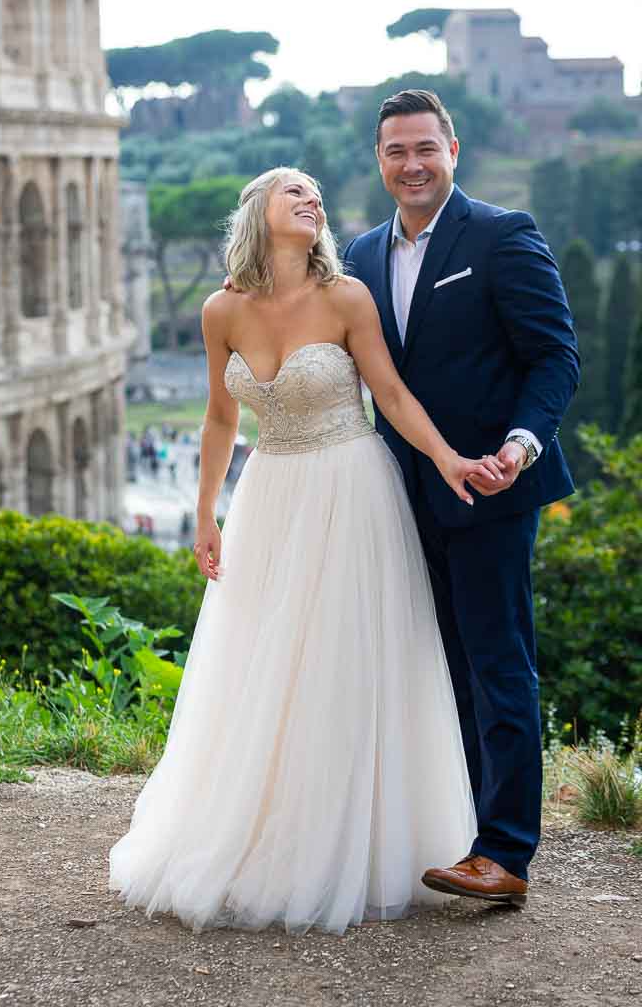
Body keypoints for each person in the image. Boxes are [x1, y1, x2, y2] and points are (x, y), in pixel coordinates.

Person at [109, 165, 503, 935]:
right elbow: (221, 420)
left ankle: (354, 845)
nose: (310, 197)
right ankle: (267, 837)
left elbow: (389, 395)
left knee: (341, 663)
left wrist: (450, 457)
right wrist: (204, 516)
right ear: (257, 210)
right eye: (293, 189)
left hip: (351, 489)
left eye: (316, 193)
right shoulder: (220, 308)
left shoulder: (346, 297)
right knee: (265, 667)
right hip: (269, 496)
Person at [343, 89, 579, 907]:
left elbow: (556, 359)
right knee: (439, 669)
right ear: (379, 162)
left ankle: (506, 852)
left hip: (490, 489)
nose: (411, 165)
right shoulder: (362, 255)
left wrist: (519, 446)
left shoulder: (503, 235)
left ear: (454, 150)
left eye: (424, 149)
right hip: (399, 499)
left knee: (497, 664)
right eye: (395, 152)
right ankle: (464, 829)